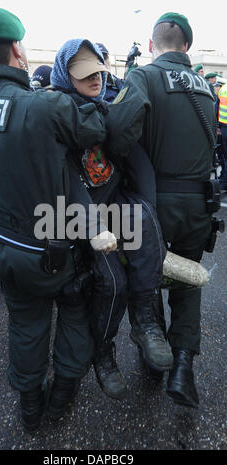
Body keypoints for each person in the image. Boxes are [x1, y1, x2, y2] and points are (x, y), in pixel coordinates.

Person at [0, 5, 115, 432]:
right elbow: (95, 126)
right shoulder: (39, 106)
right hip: (51, 247)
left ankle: (30, 410)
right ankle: (60, 399)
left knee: (26, 326)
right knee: (74, 316)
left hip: (1, 245)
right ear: (16, 49)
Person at [106, 12, 217, 408]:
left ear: (152, 45)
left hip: (153, 203)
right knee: (187, 280)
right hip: (198, 204)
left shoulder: (144, 77)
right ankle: (184, 364)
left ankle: (154, 360)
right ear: (187, 46)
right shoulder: (208, 87)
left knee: (147, 273)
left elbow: (117, 132)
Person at [51, 39, 173, 397]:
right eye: (84, 75)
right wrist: (91, 227)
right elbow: (67, 183)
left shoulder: (108, 111)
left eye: (99, 72)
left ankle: (146, 322)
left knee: (146, 225)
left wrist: (144, 209)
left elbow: (137, 163)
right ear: (65, 76)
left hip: (115, 208)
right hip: (82, 219)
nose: (95, 80)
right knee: (113, 283)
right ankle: (103, 355)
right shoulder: (57, 118)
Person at [216, 82, 227, 190]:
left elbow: (217, 108)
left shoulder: (223, 89)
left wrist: (217, 126)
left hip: (223, 128)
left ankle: (223, 179)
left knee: (224, 155)